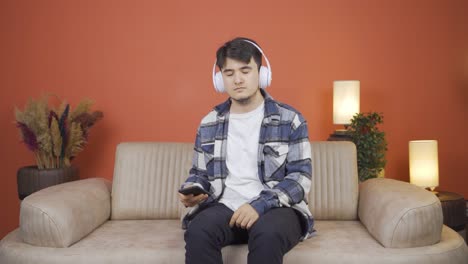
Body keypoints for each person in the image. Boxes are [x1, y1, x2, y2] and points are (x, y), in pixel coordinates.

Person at [179, 37, 314, 264]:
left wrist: (258, 205)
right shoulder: (209, 122)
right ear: (220, 79)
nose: (238, 79)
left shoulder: (291, 119)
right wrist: (193, 189)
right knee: (198, 231)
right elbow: (200, 173)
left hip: (276, 208)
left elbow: (300, 179)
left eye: (245, 70)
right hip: (225, 205)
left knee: (268, 234)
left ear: (261, 74)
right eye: (229, 73)